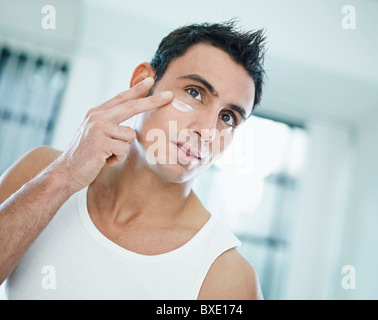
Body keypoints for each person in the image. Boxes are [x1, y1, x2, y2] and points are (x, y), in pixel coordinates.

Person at [0, 20, 266, 299]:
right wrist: (64, 177)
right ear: (143, 83)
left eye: (228, 118)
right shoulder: (40, 170)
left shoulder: (227, 277)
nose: (207, 131)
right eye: (195, 92)